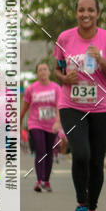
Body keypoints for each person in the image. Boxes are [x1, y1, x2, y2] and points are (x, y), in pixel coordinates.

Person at [54, 0, 106, 211]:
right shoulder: (64, 38)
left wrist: (101, 61)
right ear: (76, 13)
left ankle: (92, 208)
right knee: (81, 154)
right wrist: (65, 77)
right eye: (81, 10)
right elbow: (58, 68)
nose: (86, 14)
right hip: (71, 106)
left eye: (90, 10)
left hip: (101, 108)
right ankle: (81, 202)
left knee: (96, 161)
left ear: (97, 13)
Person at [20, 62, 62, 193]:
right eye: (40, 70)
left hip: (51, 125)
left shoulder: (56, 88)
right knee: (40, 150)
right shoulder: (31, 89)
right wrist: (18, 123)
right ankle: (39, 181)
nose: (43, 72)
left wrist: (57, 122)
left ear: (49, 72)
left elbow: (59, 106)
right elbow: (25, 107)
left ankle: (46, 181)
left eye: (45, 69)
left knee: (49, 152)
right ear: (37, 74)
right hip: (35, 123)